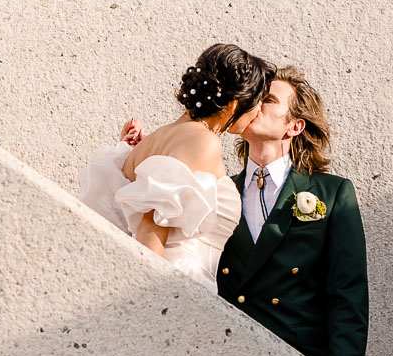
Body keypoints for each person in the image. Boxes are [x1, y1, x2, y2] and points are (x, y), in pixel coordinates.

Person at [217, 67, 371, 356]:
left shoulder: (332, 194)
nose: (256, 104)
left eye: (269, 100)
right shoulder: (219, 190)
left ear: (295, 126)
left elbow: (347, 298)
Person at [78, 44, 274, 289]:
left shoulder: (160, 137)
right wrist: (141, 297)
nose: (258, 111)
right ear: (234, 105)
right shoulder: (204, 142)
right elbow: (152, 226)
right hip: (171, 284)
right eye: (258, 102)